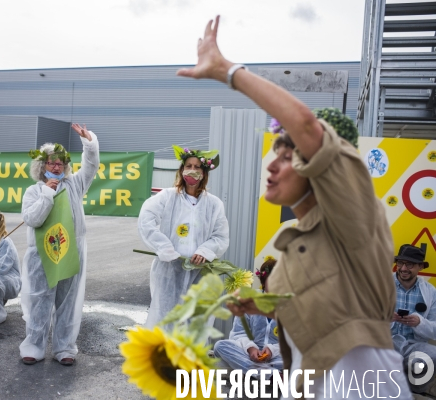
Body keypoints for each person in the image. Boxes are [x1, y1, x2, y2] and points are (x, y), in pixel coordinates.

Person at [179, 16, 411, 398]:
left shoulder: (354, 218)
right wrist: (262, 306)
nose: (271, 165)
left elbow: (305, 122)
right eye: (274, 155)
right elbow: (320, 310)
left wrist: (228, 71)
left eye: (287, 157)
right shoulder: (295, 241)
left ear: (318, 170)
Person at [19, 123, 99, 366]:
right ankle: (34, 345)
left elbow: (92, 165)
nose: (56, 167)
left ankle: (64, 347)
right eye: (52, 163)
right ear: (42, 166)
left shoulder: (75, 184)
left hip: (71, 253)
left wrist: (89, 142)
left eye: (61, 163)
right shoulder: (34, 191)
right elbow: (33, 219)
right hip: (41, 255)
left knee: (67, 301)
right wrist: (47, 193)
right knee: (40, 300)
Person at [138, 144, 229, 328]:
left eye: (197, 167)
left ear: (204, 173)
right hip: (169, 271)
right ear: (181, 170)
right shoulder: (167, 197)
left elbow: (220, 235)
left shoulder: (214, 204)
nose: (192, 171)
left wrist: (205, 251)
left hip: (200, 272)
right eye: (188, 166)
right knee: (166, 317)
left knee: (196, 319)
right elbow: (146, 219)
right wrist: (164, 247)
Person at [213, 258, 283, 375]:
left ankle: (260, 371)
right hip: (249, 355)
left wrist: (272, 350)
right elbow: (238, 334)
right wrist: (251, 348)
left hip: (278, 357)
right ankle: (271, 375)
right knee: (220, 346)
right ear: (263, 281)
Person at [391, 244, 436, 397]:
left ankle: (415, 390)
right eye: (400, 263)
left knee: (433, 354)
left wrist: (420, 322)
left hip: (414, 345)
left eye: (409, 264)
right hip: (385, 340)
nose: (403, 268)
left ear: (420, 267)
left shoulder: (431, 292)